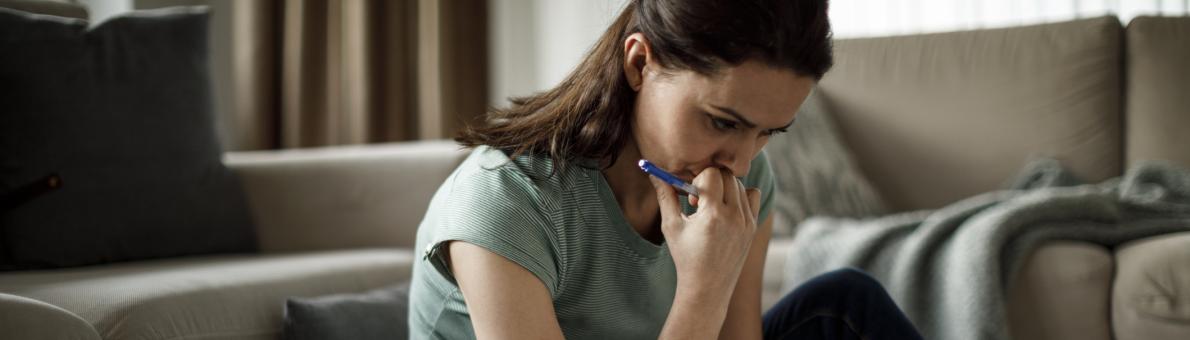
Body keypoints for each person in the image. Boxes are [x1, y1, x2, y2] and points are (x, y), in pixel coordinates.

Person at [407, 0, 923, 339]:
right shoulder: (505, 202)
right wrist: (704, 287)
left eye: (769, 132)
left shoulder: (749, 179)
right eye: (722, 121)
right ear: (638, 63)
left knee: (846, 304)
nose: (740, 162)